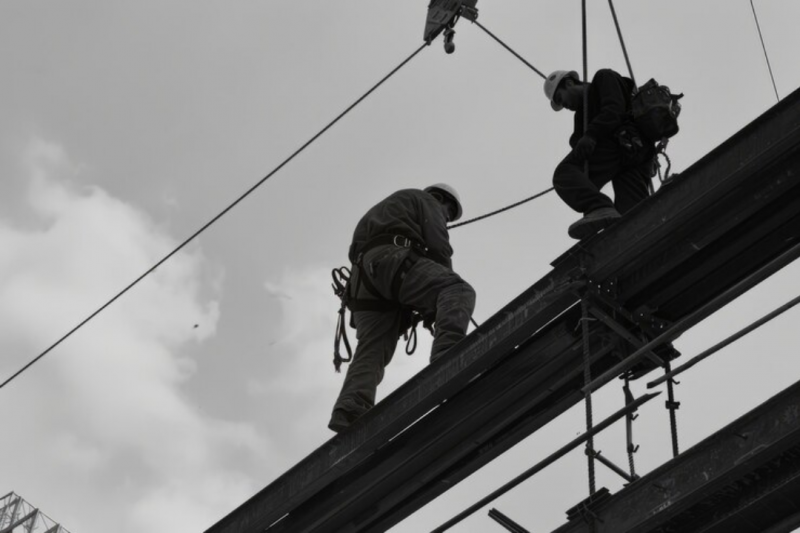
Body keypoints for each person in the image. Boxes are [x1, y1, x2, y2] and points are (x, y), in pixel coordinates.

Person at [328, 184, 476, 433]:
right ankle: (448, 357)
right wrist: (441, 304)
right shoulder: (424, 199)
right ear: (441, 199)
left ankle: (351, 407)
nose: (447, 219)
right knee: (458, 291)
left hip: (363, 283)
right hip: (391, 261)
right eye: (448, 214)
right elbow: (439, 245)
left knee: (373, 348)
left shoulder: (390, 209)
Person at [544, 69, 656, 239]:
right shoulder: (581, 115)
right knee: (633, 218)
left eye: (560, 98)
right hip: (630, 156)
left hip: (625, 142)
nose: (564, 106)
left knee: (565, 174)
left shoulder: (603, 77)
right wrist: (581, 138)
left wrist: (591, 135)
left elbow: (614, 109)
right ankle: (646, 240)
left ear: (569, 83)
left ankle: (599, 207)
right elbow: (578, 142)